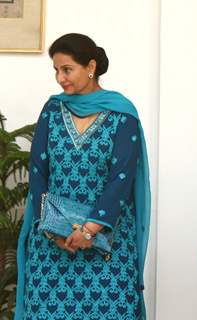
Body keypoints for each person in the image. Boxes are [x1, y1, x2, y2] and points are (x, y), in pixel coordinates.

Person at [15, 33, 151, 320]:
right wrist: (52, 230)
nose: (60, 78)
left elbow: (122, 178)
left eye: (67, 69)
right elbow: (39, 172)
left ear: (90, 66)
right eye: (56, 70)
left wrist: (89, 229)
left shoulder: (121, 114)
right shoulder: (52, 110)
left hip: (106, 242)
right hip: (53, 244)